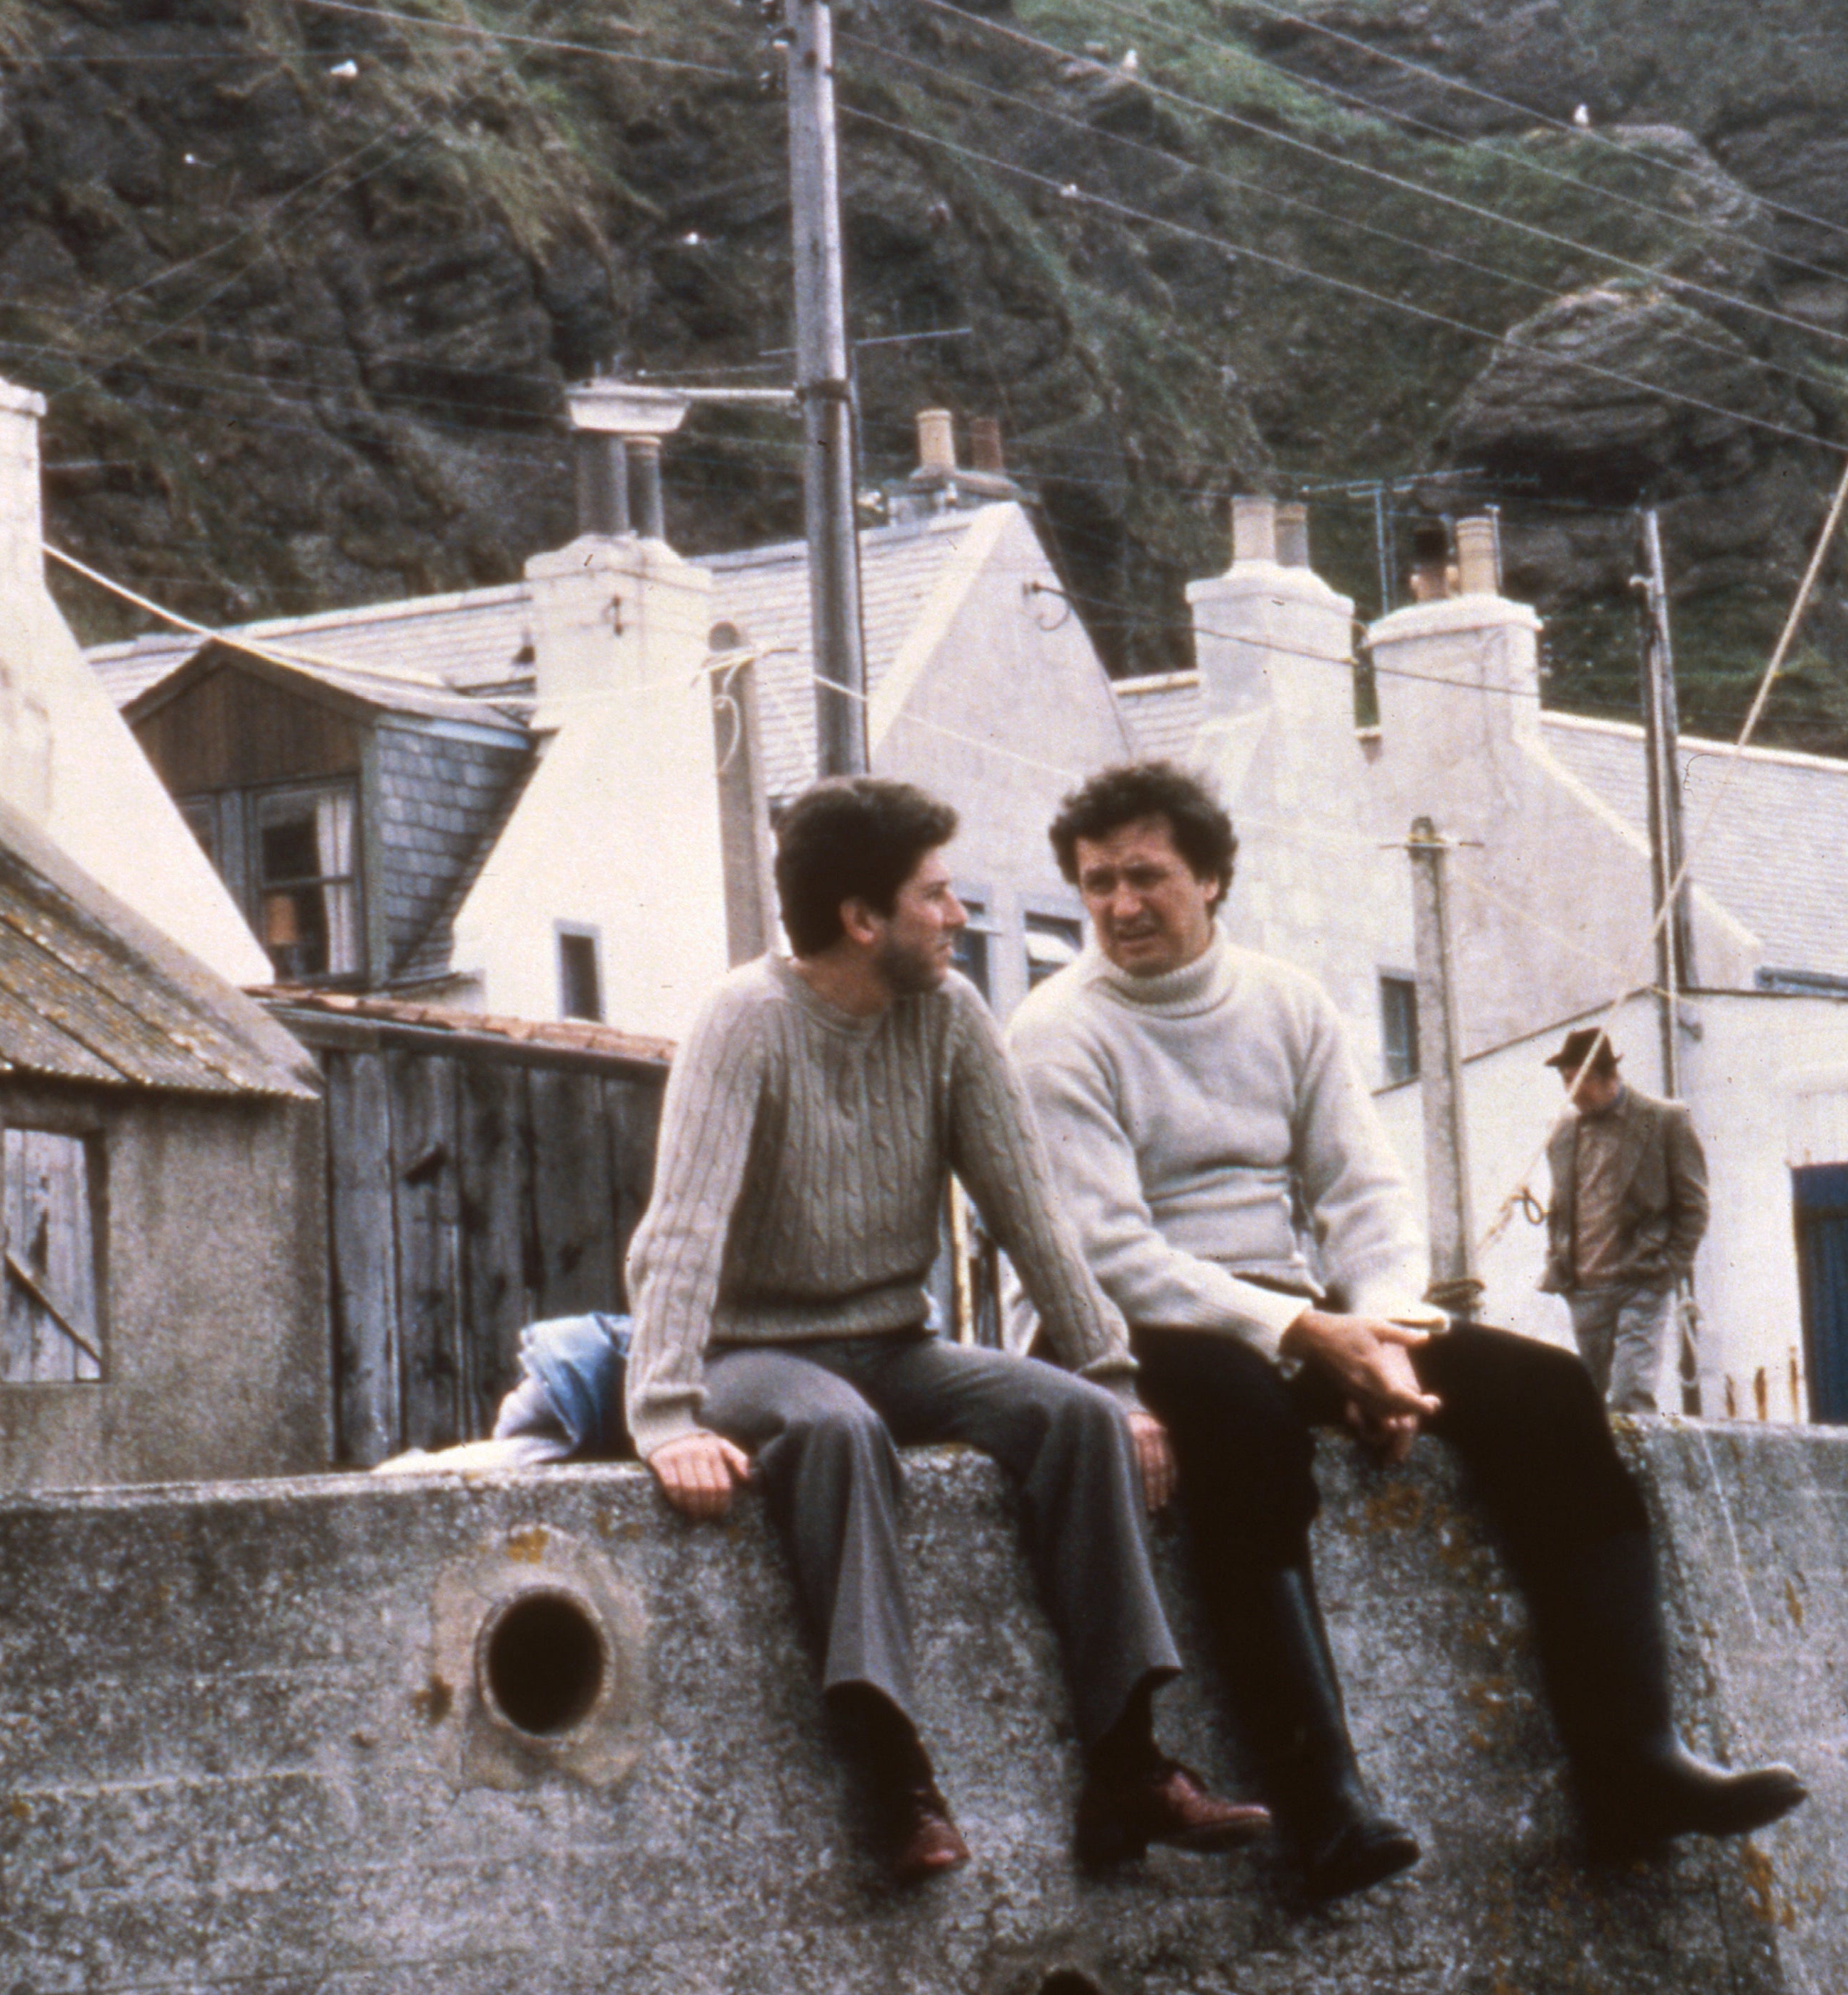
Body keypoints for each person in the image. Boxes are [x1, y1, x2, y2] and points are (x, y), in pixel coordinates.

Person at [1007, 760, 1804, 1905]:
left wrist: (1377, 1330)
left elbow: (1362, 1194)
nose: (1119, 904)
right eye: (1095, 884)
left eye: (1146, 876)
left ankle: (1633, 1759)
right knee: (1241, 1429)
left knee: (1541, 1391)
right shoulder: (1054, 1029)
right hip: (1124, 1327)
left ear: (1212, 878)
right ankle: (1323, 1808)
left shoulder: (1284, 1000)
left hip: (1288, 1306)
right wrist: (1305, 1333)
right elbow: (1105, 1249)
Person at [622, 776, 1265, 1885]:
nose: (957, 915)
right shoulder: (743, 1022)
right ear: (862, 918)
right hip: (753, 1354)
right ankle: (894, 1777)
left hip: (893, 1339)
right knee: (833, 1432)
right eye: (936, 895)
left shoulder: (949, 1013)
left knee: (1068, 1417)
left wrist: (1111, 1378)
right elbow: (677, 1233)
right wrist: (668, 1410)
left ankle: (1127, 1766)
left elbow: (1030, 1212)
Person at [1538, 1029, 1707, 1415]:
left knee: (1631, 1394)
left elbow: (1694, 1206)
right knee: (1591, 1402)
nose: (1568, 1092)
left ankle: (1638, 1475)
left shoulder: (1664, 1119)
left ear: (1602, 1076)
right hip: (1585, 1287)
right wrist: (1559, 1259)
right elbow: (1560, 1206)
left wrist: (1668, 1267)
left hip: (1641, 1280)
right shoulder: (1562, 1131)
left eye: (1572, 1081)